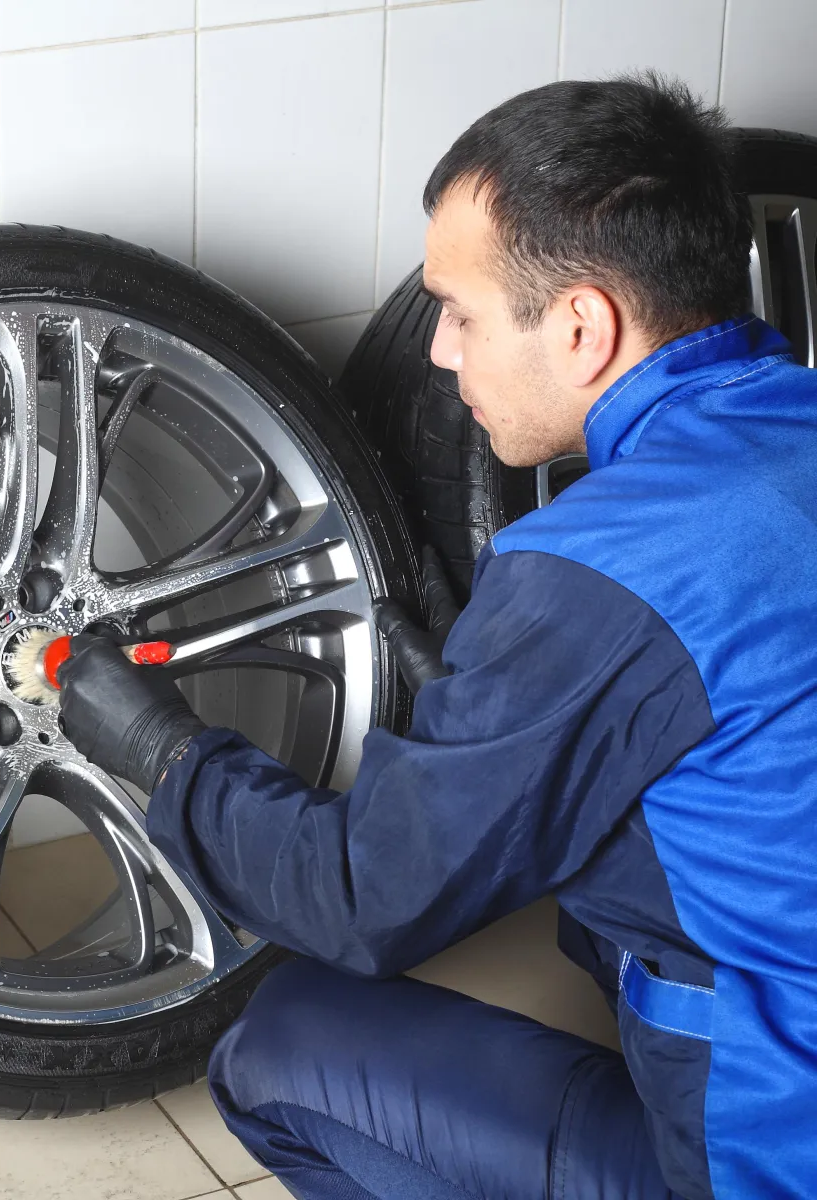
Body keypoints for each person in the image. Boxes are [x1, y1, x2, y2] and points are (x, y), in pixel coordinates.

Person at [57, 74, 817, 1199]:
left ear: (581, 326)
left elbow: (359, 902)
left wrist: (161, 751)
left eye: (460, 314)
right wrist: (501, 715)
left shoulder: (600, 572)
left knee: (283, 1048)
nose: (441, 353)